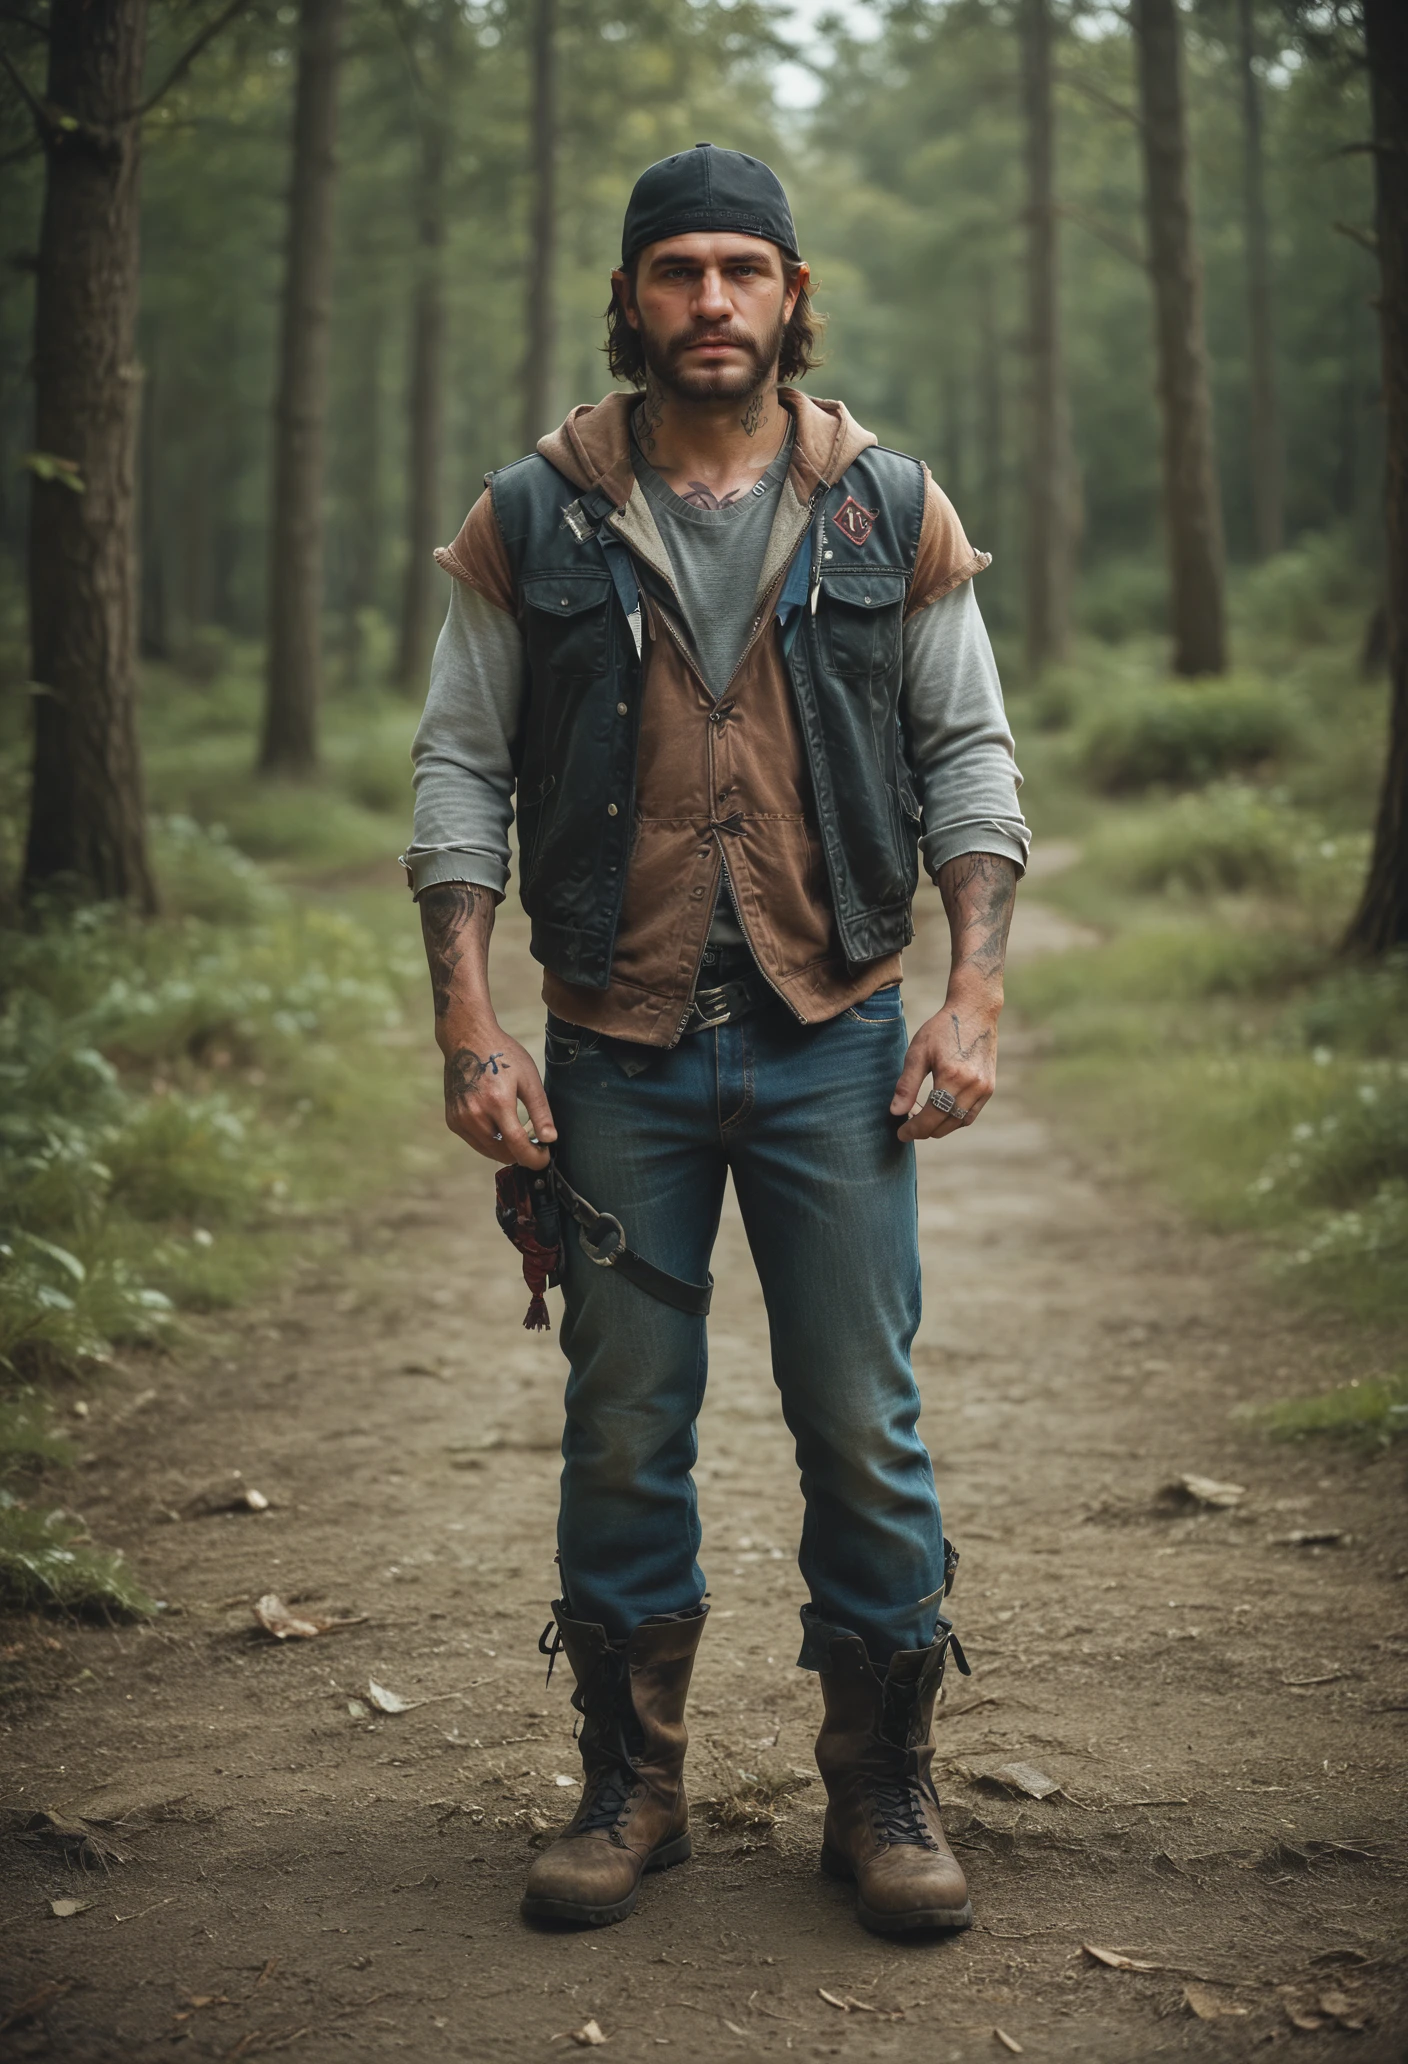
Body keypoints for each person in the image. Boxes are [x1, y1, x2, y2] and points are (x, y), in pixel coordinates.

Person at [402, 144, 1029, 1937]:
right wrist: (471, 1024)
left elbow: (967, 759)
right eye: (677, 272)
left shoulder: (886, 504)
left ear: (790, 293)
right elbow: (459, 767)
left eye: (743, 272)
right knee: (623, 1425)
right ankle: (632, 1787)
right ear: (631, 298)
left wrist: (973, 993)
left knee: (863, 1421)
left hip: (838, 1033)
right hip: (619, 1042)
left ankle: (882, 1790)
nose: (711, 304)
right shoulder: (531, 515)